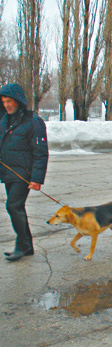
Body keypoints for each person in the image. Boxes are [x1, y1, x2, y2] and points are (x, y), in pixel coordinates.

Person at [0, 84, 48, 262]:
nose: (7, 105)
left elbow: (40, 152)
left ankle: (23, 246)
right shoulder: (5, 119)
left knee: (13, 206)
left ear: (18, 100)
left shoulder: (33, 121)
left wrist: (36, 178)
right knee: (16, 207)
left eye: (9, 101)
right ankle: (25, 246)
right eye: (4, 102)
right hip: (8, 172)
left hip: (24, 174)